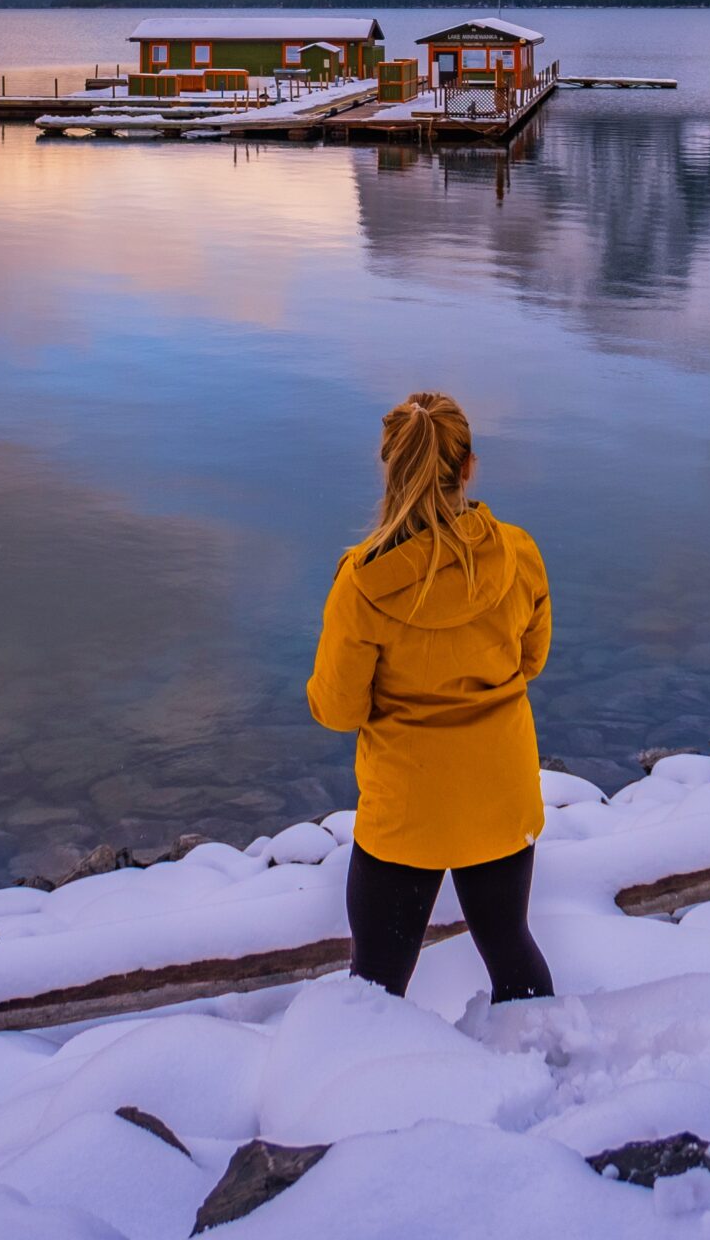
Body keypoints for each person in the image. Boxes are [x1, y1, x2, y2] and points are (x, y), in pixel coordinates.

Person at [307, 390, 555, 1003]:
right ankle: (544, 1068)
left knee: (376, 984)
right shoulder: (517, 554)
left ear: (390, 466)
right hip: (500, 798)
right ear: (468, 466)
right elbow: (531, 660)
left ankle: (369, 1088)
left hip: (405, 811)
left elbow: (339, 711)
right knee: (511, 950)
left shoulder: (364, 583)